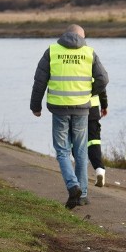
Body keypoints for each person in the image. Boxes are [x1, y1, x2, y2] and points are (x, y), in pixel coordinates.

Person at [30, 24, 108, 209]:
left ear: (65, 34)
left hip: (59, 110)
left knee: (63, 151)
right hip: (82, 109)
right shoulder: (89, 53)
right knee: (81, 151)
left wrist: (35, 106)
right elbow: (103, 79)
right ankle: (83, 194)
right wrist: (89, 92)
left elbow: (39, 81)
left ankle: (73, 186)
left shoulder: (52, 51)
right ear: (81, 36)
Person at [87, 88, 108, 196]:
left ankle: (78, 178)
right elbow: (102, 82)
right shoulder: (93, 69)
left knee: (75, 142)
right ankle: (99, 169)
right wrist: (104, 105)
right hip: (92, 109)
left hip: (73, 108)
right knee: (93, 141)